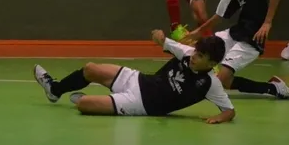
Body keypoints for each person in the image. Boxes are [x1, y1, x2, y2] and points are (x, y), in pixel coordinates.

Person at [33, 31, 238, 124]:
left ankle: (95, 102)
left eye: (200, 56)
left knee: (83, 105)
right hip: (138, 80)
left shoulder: (210, 83)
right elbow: (162, 40)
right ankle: (55, 90)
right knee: (90, 69)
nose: (194, 57)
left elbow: (230, 111)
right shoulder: (187, 53)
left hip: (139, 103)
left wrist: (219, 118)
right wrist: (158, 36)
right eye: (196, 52)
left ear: (211, 63)